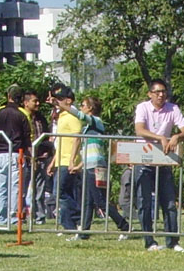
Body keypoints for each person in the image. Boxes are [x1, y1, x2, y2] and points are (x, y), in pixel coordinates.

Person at [53, 94, 129, 240]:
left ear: (91, 108)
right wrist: (79, 165)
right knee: (87, 201)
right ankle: (84, 233)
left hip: (96, 166)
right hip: (89, 165)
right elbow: (88, 150)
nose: (81, 107)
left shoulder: (96, 121)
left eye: (83, 105)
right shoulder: (87, 127)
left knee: (100, 201)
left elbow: (78, 114)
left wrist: (61, 105)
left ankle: (124, 226)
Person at [134, 78, 184, 251]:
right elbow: (139, 129)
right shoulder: (142, 107)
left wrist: (176, 136)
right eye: (157, 92)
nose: (161, 95)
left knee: (168, 203)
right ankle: (149, 241)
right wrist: (160, 137)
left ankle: (173, 242)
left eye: (163, 91)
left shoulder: (173, 108)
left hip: (164, 160)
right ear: (150, 94)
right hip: (143, 158)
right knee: (144, 202)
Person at [0, 85, 31, 227]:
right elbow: (27, 138)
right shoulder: (23, 113)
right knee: (16, 187)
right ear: (21, 99)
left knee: (1, 187)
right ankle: (14, 216)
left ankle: (1, 218)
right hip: (17, 154)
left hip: (0, 154)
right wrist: (31, 157)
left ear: (8, 96)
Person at [46, 85, 82, 236]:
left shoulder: (73, 116)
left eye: (60, 99)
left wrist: (73, 160)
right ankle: (70, 224)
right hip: (61, 159)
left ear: (68, 100)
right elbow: (61, 143)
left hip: (68, 161)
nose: (57, 102)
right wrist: (53, 162)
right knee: (64, 193)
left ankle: (76, 218)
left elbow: (77, 138)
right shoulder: (61, 116)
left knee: (59, 193)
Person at [23, 90, 54, 225]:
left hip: (41, 157)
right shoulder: (22, 117)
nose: (37, 103)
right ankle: (21, 216)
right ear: (26, 103)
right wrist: (30, 156)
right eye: (34, 101)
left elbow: (46, 136)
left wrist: (47, 151)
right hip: (26, 158)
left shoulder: (40, 118)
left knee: (40, 189)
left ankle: (39, 216)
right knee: (23, 189)